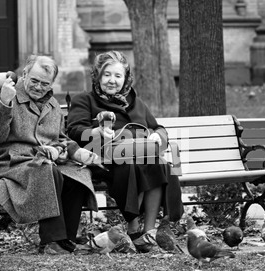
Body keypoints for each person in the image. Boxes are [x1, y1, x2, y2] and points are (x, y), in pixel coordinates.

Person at [66, 50, 184, 251]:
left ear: (125, 78)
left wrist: (158, 136)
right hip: (104, 159)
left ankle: (149, 232)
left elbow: (158, 128)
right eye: (107, 75)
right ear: (97, 76)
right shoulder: (85, 100)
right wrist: (97, 131)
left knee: (159, 165)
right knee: (133, 167)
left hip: (139, 155)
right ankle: (133, 228)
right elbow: (74, 130)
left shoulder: (136, 102)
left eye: (118, 76)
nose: (112, 81)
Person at [0, 54, 99, 255]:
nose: (38, 87)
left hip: (44, 161)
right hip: (13, 163)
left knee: (78, 175)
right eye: (34, 81)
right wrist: (4, 102)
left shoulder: (52, 104)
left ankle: (66, 239)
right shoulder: (6, 94)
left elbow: (60, 138)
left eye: (44, 84)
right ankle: (51, 241)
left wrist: (75, 152)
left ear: (52, 83)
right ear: (25, 74)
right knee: (45, 169)